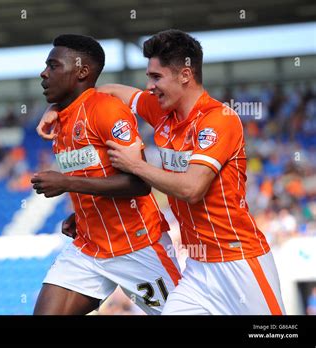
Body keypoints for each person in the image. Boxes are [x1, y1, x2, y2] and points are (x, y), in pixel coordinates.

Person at [37, 30, 285, 315]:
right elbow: (106, 91)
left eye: (156, 77)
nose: (149, 86)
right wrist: (59, 109)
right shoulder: (161, 112)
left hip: (239, 260)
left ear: (185, 75)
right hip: (198, 269)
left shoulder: (219, 120)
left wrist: (136, 166)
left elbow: (192, 189)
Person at [32, 34, 181, 315]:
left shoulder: (108, 110)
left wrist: (66, 183)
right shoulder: (60, 121)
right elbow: (97, 173)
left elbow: (137, 184)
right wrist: (84, 213)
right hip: (88, 248)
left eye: (53, 65)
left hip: (138, 246)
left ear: (82, 71)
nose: (44, 72)